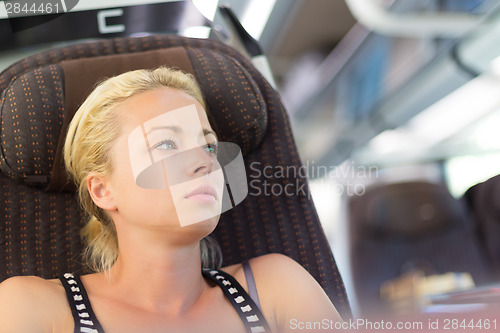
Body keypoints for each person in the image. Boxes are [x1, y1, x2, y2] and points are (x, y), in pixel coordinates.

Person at [0, 67, 341, 332]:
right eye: (165, 144)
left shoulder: (275, 287)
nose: (205, 162)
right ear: (103, 190)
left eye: (207, 145)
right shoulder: (31, 308)